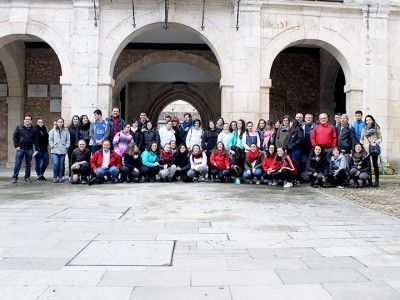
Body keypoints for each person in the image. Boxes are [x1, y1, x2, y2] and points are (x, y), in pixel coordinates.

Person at [12, 115, 38, 183]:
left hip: (29, 148)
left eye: (29, 119)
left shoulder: (34, 129)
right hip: (20, 148)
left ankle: (27, 177)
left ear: (31, 121)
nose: (27, 120)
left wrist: (36, 149)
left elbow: (36, 140)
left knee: (28, 164)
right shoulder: (19, 127)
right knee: (17, 163)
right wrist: (16, 146)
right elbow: (15, 136)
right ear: (24, 120)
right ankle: (15, 177)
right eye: (26, 119)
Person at [361, 115, 382, 187]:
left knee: (375, 164)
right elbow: (361, 138)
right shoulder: (364, 128)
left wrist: (375, 143)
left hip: (373, 148)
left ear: (372, 120)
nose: (368, 121)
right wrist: (363, 144)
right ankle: (368, 180)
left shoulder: (376, 127)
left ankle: (376, 180)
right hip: (366, 148)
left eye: (369, 120)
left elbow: (380, 138)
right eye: (367, 120)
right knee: (367, 165)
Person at [49, 118, 70, 183]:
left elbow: (68, 140)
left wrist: (66, 146)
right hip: (55, 150)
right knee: (56, 163)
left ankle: (60, 177)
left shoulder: (66, 131)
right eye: (59, 122)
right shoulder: (52, 130)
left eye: (61, 122)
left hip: (62, 150)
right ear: (57, 123)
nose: (60, 123)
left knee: (61, 164)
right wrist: (52, 145)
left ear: (63, 123)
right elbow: (50, 139)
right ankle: (55, 177)